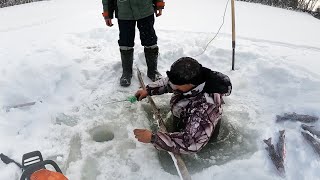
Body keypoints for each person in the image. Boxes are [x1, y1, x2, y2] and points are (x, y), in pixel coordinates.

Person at [133, 57, 232, 154]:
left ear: (191, 83)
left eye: (176, 84)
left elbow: (192, 142)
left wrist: (154, 138)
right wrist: (148, 90)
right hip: (184, 118)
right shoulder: (190, 80)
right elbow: (168, 82)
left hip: (201, 135)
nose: (172, 86)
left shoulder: (206, 106)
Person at [102, 0, 165, 87]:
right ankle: (127, 73)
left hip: (145, 9)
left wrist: (159, 4)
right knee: (125, 42)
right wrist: (107, 14)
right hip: (124, 12)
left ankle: (153, 71)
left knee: (150, 40)